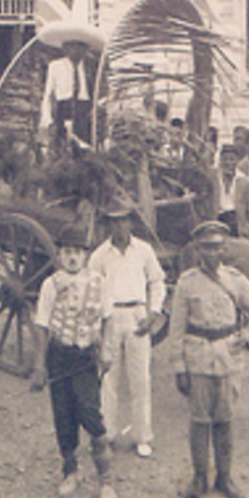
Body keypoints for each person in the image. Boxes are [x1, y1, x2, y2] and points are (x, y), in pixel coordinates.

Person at [167, 221, 249, 498]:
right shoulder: (187, 283)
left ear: (224, 248)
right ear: (198, 250)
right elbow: (176, 328)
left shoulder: (235, 279)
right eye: (206, 248)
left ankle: (225, 478)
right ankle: (200, 478)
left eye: (216, 247)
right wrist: (179, 367)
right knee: (199, 421)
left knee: (224, 420)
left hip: (228, 357)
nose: (212, 253)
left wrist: (248, 337)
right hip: (197, 356)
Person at [30, 223, 117, 498]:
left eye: (77, 253)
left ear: (85, 255)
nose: (72, 258)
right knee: (64, 415)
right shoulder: (50, 285)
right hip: (59, 356)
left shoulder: (98, 282)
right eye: (67, 252)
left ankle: (106, 480)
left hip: (85, 358)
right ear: (59, 255)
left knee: (91, 414)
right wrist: (40, 365)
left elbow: (107, 319)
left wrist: (105, 349)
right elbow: (42, 326)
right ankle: (70, 472)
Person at [89, 196, 166, 459]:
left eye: (123, 221)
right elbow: (92, 289)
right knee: (108, 379)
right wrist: (99, 322)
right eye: (114, 222)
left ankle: (142, 437)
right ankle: (108, 434)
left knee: (140, 379)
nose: (119, 227)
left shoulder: (143, 251)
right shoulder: (100, 256)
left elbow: (157, 282)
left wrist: (153, 313)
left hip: (137, 316)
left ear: (131, 222)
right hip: (111, 317)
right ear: (108, 225)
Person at [41, 34, 95, 149]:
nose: (77, 51)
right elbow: (48, 95)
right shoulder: (55, 66)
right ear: (65, 48)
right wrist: (48, 121)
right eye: (72, 46)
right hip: (63, 112)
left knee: (85, 153)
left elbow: (97, 93)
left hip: (83, 115)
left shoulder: (90, 68)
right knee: (62, 150)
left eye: (81, 47)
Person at [211, 143, 249, 241]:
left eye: (231, 159)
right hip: (217, 220)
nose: (228, 162)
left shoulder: (245, 181)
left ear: (237, 161)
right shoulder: (213, 179)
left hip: (236, 223)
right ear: (220, 160)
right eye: (225, 159)